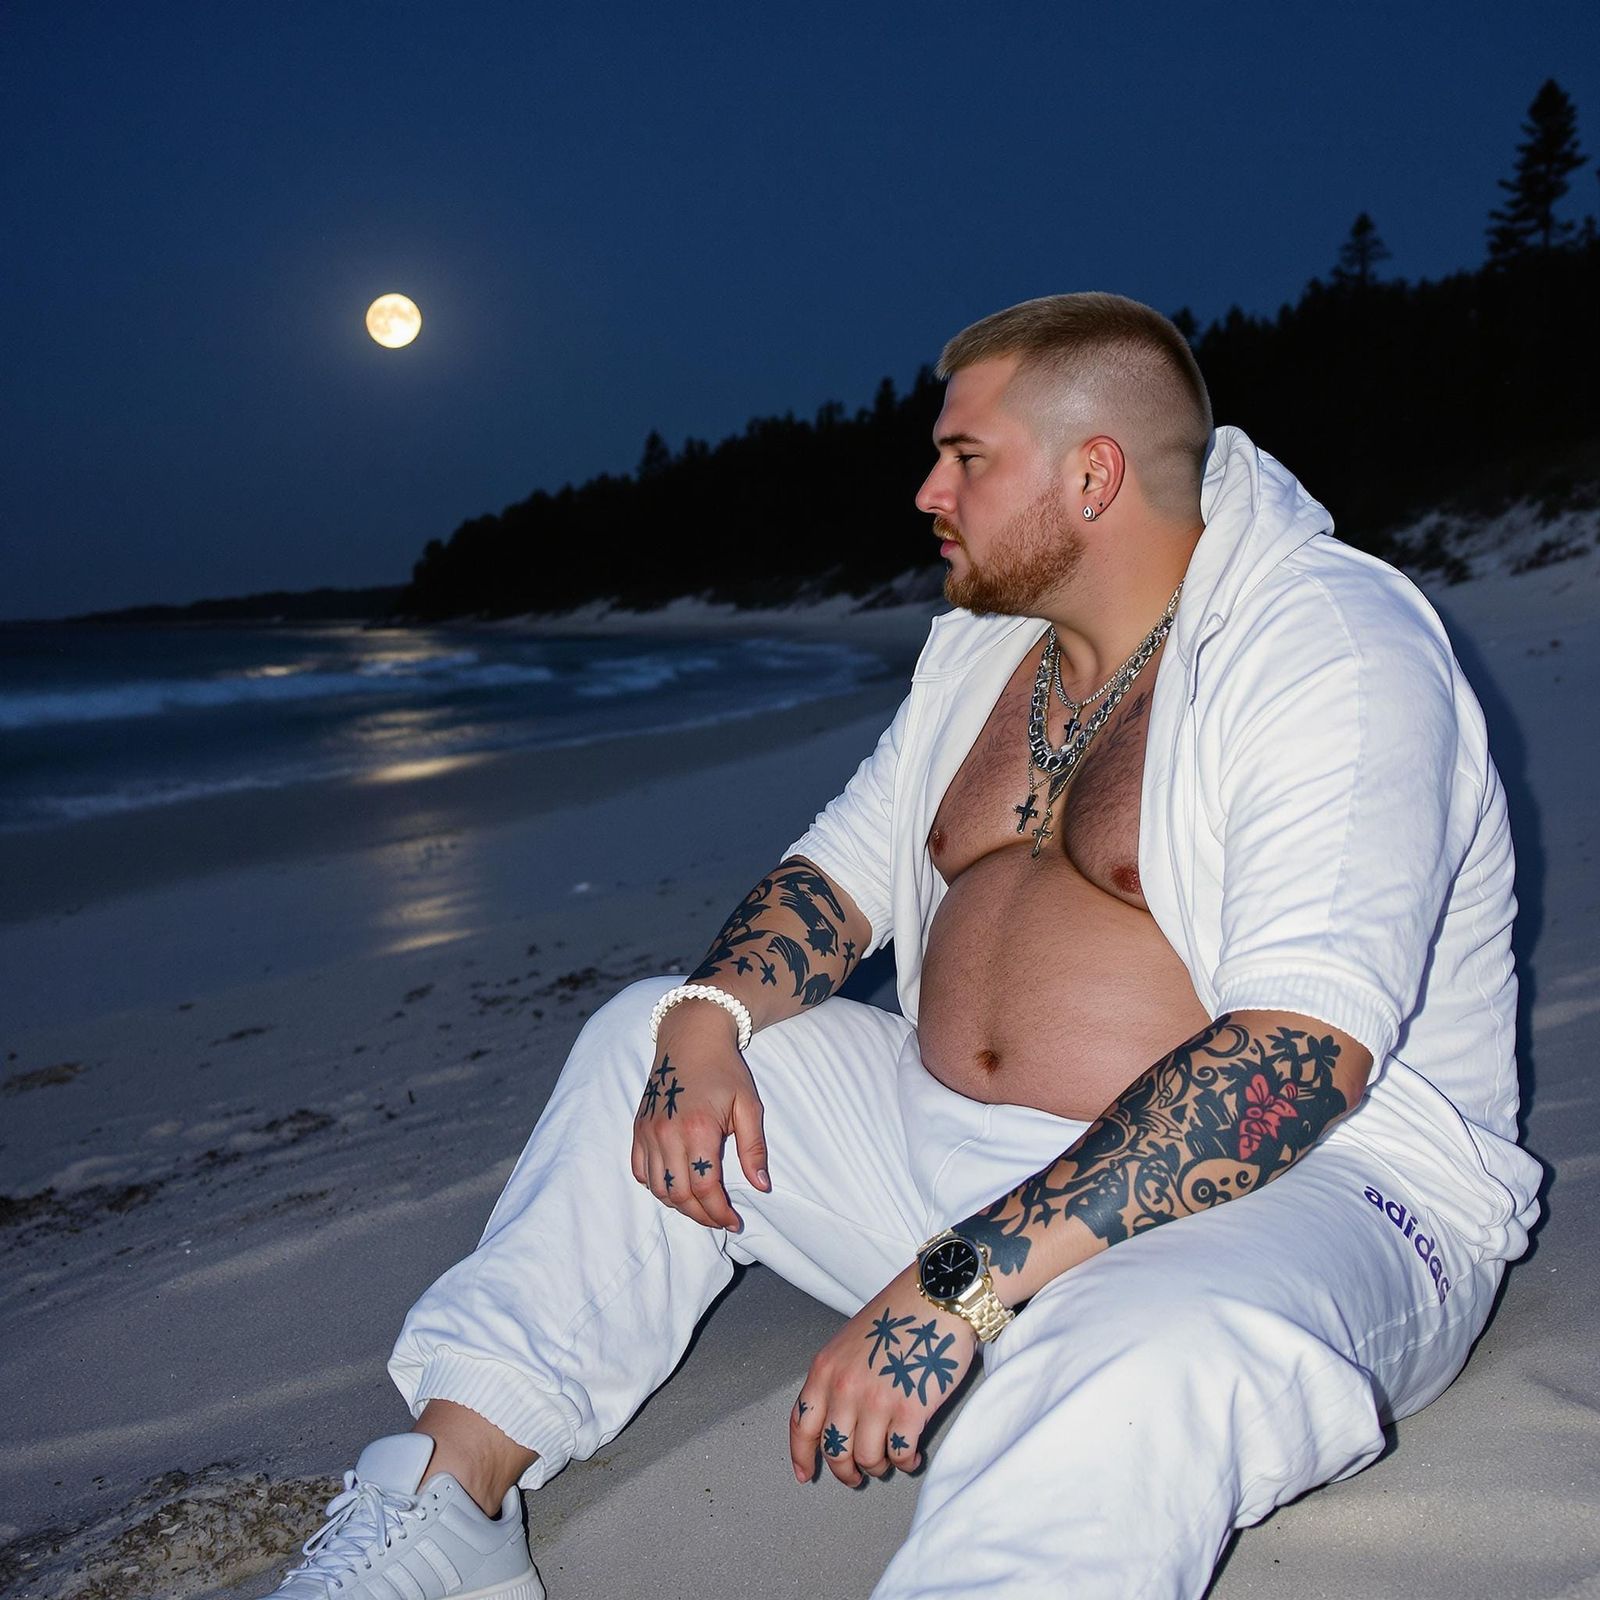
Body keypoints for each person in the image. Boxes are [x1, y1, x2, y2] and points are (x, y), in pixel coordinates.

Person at [262, 293, 1541, 1600]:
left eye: (967, 458)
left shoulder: (1324, 638)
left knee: (1141, 1350)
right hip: (961, 1169)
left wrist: (962, 1286)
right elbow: (841, 874)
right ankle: (445, 1510)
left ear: (1093, 473)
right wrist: (707, 1025)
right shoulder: (994, 649)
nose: (930, 489)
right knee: (645, 1041)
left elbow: (1296, 1061)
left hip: (1314, 1202)